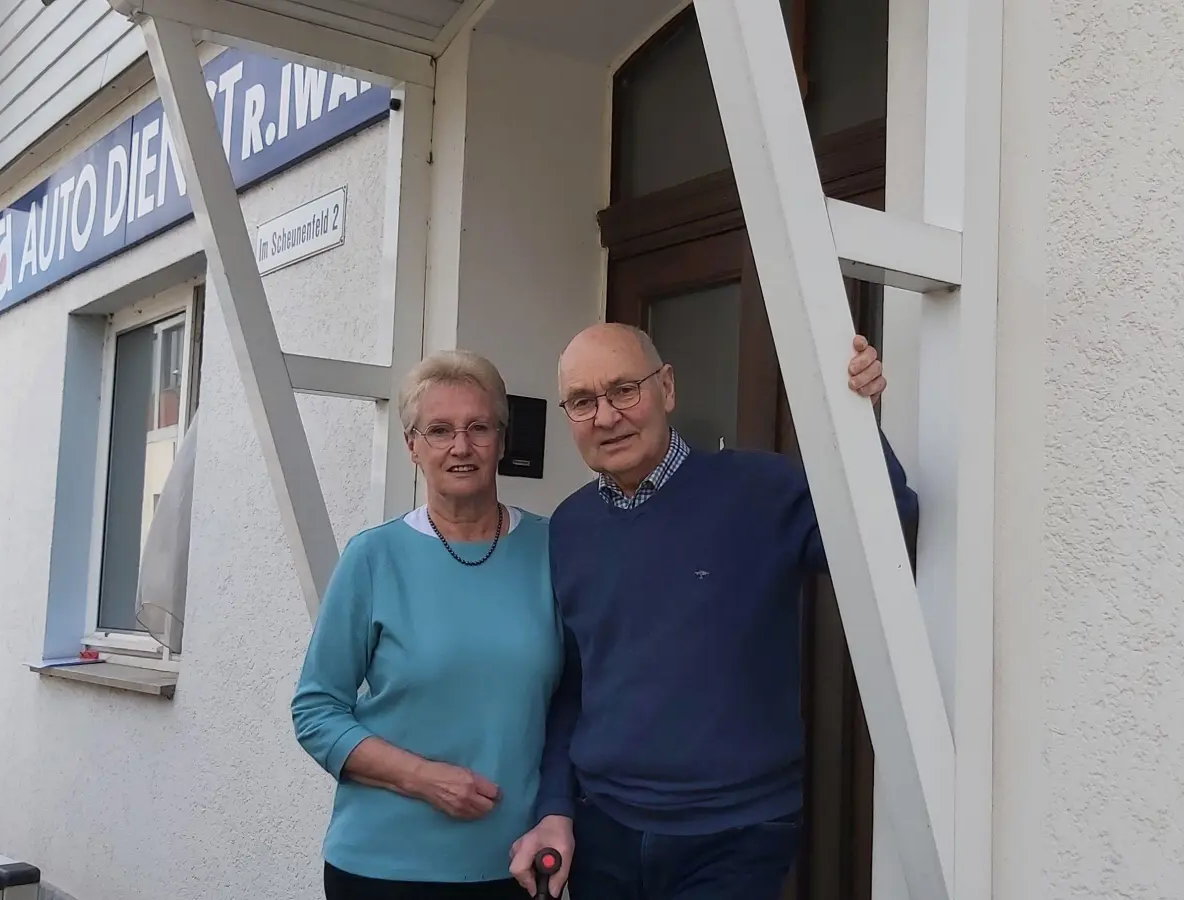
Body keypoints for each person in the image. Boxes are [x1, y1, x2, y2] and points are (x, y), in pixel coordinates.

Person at [508, 324, 917, 899]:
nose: (606, 416)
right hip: (604, 829)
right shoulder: (570, 528)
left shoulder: (761, 490)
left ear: (667, 388)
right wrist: (556, 806)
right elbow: (574, 684)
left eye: (624, 389)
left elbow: (886, 540)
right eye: (582, 401)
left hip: (736, 834)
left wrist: (860, 423)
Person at [292, 350, 564, 900]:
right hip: (384, 869)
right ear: (412, 446)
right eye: (439, 431)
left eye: (478, 428)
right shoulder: (373, 557)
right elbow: (316, 712)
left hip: (518, 862)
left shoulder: (554, 549)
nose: (460, 447)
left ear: (502, 440)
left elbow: (576, 701)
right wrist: (423, 779)